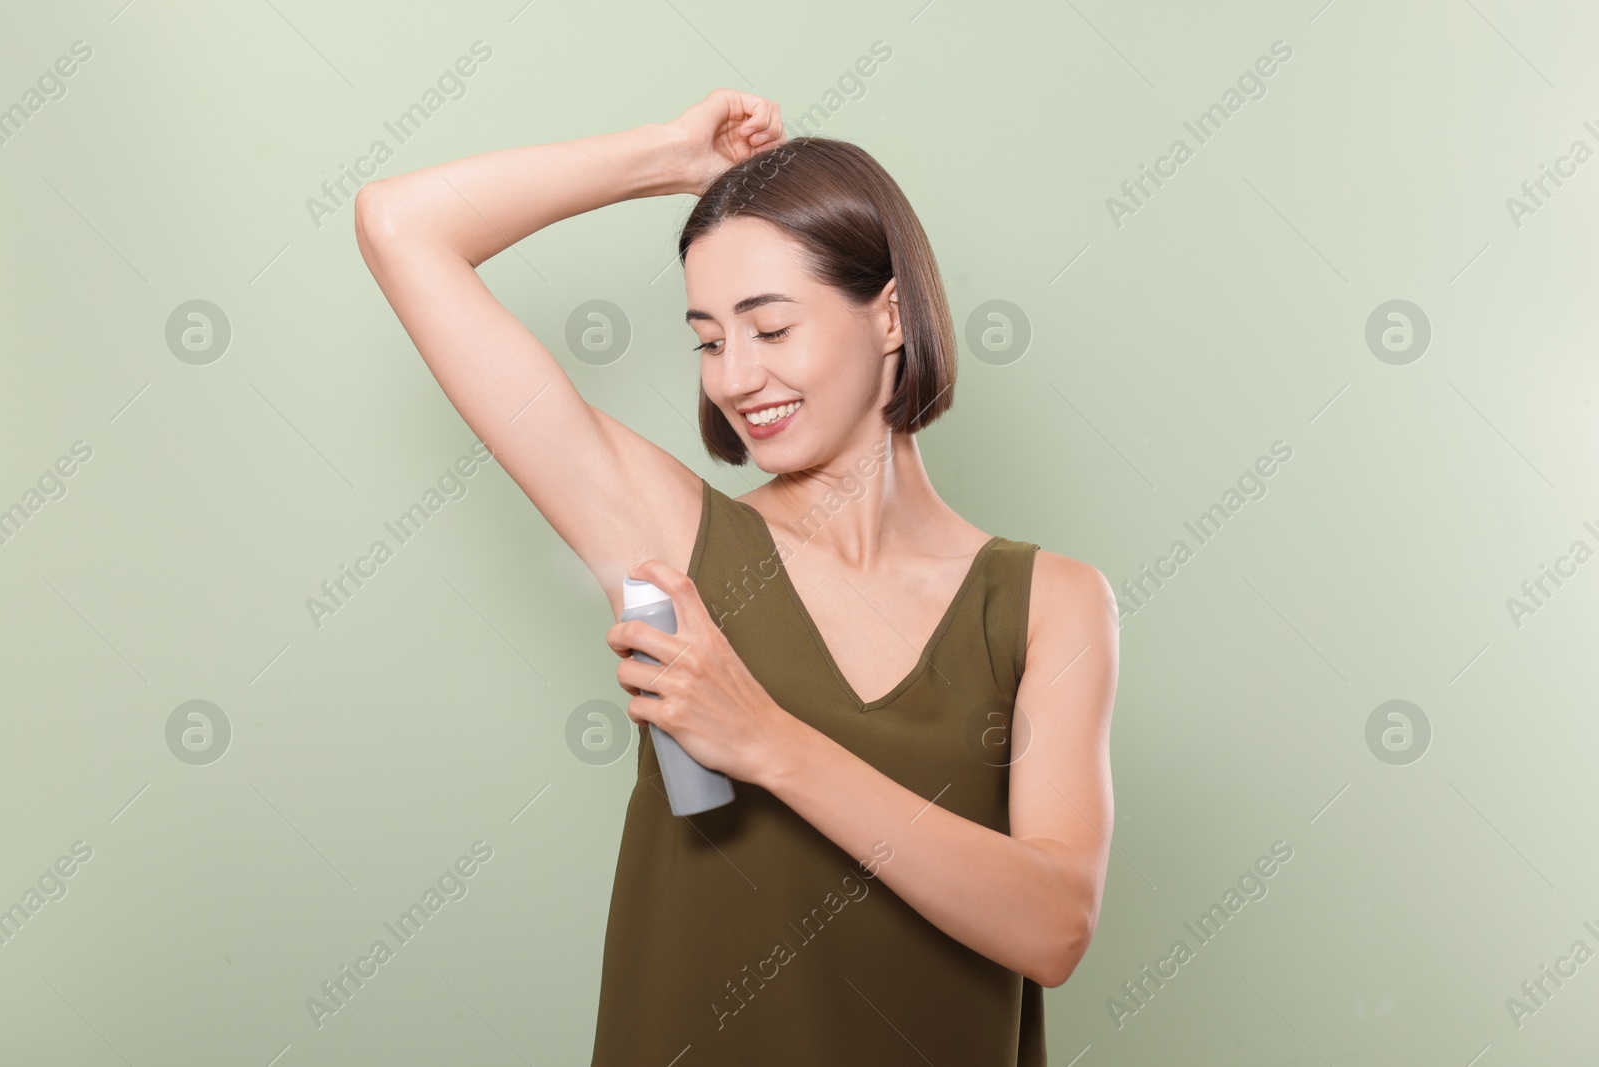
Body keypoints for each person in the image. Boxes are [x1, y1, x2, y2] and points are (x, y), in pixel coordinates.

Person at [354, 88, 1119, 1066]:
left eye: (769, 326)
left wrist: (765, 741)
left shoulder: (1049, 602)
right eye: (708, 338)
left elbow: (1052, 926)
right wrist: (669, 156)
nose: (733, 377)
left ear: (888, 315)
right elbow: (400, 224)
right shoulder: (670, 539)